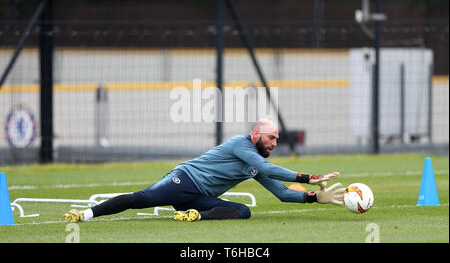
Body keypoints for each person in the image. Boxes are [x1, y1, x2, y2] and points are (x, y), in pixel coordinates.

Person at [64, 118, 344, 222]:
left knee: (243, 212)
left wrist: (312, 197)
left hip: (197, 198)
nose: (274, 142)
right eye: (271, 137)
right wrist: (309, 178)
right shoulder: (240, 144)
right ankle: (86, 214)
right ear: (256, 133)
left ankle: (194, 215)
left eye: (277, 140)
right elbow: (264, 167)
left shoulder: (255, 163)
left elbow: (281, 193)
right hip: (184, 180)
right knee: (143, 200)